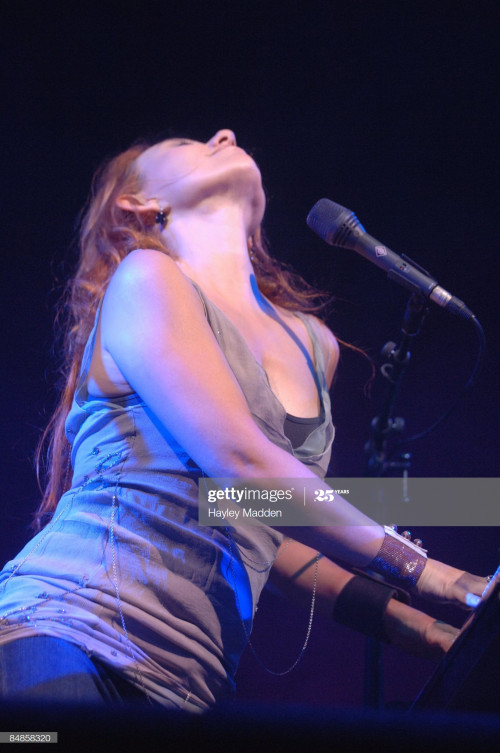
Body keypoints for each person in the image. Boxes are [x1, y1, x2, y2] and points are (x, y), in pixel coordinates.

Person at [0, 129, 487, 711]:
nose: (225, 134)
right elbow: (240, 461)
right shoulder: (147, 278)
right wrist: (431, 575)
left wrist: (427, 628)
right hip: (64, 629)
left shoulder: (314, 345)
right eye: (188, 141)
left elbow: (259, 522)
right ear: (138, 204)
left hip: (189, 686)